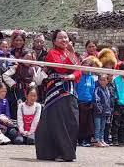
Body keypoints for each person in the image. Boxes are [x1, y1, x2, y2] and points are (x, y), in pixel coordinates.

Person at [35, 30, 81, 162]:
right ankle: (59, 152)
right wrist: (72, 54)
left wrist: (72, 75)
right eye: (60, 38)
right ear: (54, 41)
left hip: (70, 91)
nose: (64, 40)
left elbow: (78, 70)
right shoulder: (52, 53)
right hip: (56, 92)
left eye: (66, 37)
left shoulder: (70, 53)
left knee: (72, 122)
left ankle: (68, 152)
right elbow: (61, 68)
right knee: (58, 123)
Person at [3, 50, 37, 120]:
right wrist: (13, 84)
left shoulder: (32, 69)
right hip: (18, 91)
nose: (28, 60)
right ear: (21, 58)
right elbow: (5, 75)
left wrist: (31, 84)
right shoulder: (17, 67)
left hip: (28, 92)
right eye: (26, 58)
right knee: (18, 107)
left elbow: (35, 80)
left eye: (30, 58)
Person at [76, 57, 96, 147]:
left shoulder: (91, 78)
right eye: (84, 67)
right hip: (79, 102)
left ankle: (86, 140)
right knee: (80, 122)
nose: (85, 69)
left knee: (88, 123)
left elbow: (92, 90)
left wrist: (92, 101)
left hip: (89, 103)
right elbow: (75, 89)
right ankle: (79, 139)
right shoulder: (78, 77)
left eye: (88, 67)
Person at [94, 74, 112, 147]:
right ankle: (97, 140)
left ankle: (101, 140)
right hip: (98, 112)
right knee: (97, 127)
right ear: (98, 80)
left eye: (104, 80)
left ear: (107, 81)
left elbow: (109, 101)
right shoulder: (97, 88)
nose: (102, 82)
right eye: (101, 80)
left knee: (103, 127)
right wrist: (99, 109)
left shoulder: (107, 89)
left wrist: (109, 110)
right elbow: (96, 99)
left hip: (105, 112)